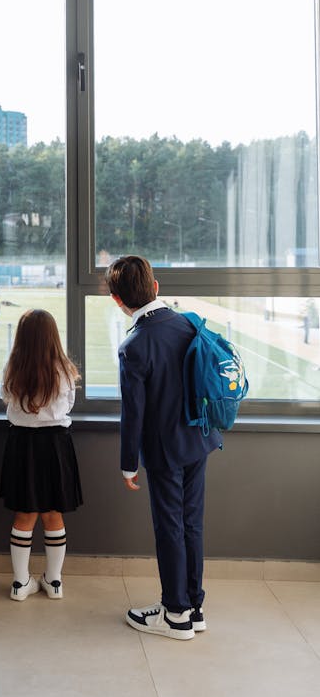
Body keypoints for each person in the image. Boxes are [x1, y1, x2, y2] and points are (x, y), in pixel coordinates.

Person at [105, 255, 222, 640]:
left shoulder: (134, 345)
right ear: (155, 287)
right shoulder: (188, 323)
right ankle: (193, 606)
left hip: (165, 451)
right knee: (192, 524)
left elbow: (132, 413)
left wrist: (127, 464)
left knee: (169, 527)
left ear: (116, 299)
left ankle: (175, 614)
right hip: (199, 439)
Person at [0, 309, 83, 601]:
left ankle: (21, 583)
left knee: (24, 514)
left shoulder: (13, 368)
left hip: (22, 444)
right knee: (53, 514)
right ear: (53, 336)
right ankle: (55, 581)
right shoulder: (65, 370)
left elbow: (6, 399)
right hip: (56, 445)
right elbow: (69, 405)